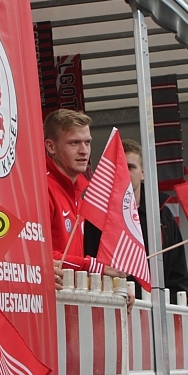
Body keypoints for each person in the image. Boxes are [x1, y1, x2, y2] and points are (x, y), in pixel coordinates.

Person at [43, 109, 126, 290]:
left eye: (87, 142)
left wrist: (110, 286)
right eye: (74, 143)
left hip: (70, 295)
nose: (84, 151)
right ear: (51, 147)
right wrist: (95, 267)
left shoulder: (78, 191)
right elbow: (37, 255)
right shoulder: (42, 188)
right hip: (48, 298)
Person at [123, 138, 188, 303]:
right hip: (115, 309)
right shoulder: (100, 216)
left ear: (143, 173)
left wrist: (172, 307)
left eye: (130, 167)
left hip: (158, 310)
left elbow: (178, 274)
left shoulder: (161, 214)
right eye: (120, 167)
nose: (125, 173)